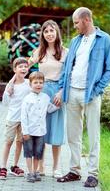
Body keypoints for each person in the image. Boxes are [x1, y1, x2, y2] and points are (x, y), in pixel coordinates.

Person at [55, 7, 110, 187]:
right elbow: (67, 67)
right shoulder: (75, 41)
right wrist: (61, 88)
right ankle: (74, 171)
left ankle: (92, 174)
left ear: (86, 20)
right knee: (73, 135)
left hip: (91, 94)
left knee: (93, 135)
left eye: (76, 23)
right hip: (72, 92)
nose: (75, 26)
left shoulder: (104, 40)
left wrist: (96, 90)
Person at [28, 20, 68, 178]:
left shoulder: (65, 52)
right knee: (41, 130)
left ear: (57, 32)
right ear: (43, 35)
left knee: (57, 130)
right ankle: (41, 166)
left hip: (58, 93)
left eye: (52, 30)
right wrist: (12, 84)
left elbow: (68, 76)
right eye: (46, 31)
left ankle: (56, 167)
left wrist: (62, 92)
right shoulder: (39, 51)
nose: (49, 34)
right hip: (42, 93)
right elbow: (24, 68)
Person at [20, 71, 59, 183]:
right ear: (30, 84)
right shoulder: (27, 99)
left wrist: (57, 106)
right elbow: (23, 116)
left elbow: (49, 109)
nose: (38, 85)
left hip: (40, 131)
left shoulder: (45, 97)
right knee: (29, 152)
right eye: (35, 82)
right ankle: (30, 172)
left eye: (40, 82)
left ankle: (36, 171)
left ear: (43, 84)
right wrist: (25, 131)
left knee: (38, 153)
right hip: (29, 131)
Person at [0, 58, 31, 180]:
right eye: (20, 67)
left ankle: (15, 166)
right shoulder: (10, 86)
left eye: (25, 67)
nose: (23, 69)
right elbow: (5, 103)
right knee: (8, 142)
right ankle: (3, 167)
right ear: (15, 69)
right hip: (12, 118)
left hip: (24, 119)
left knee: (20, 142)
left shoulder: (28, 83)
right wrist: (8, 91)